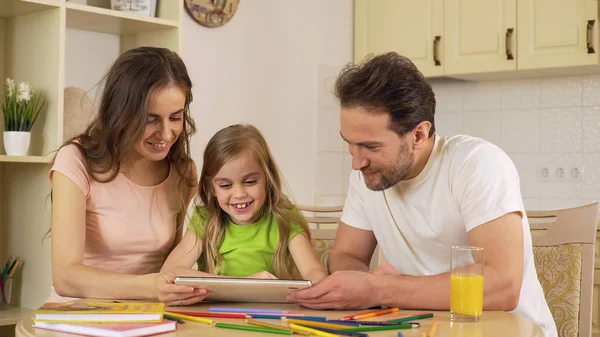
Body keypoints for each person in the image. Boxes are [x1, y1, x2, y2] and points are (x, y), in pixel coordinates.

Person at [286, 52, 557, 337]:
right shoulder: (366, 176)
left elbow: (503, 287)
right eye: (350, 145)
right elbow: (346, 254)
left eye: (371, 147)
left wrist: (380, 289)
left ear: (418, 135)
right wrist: (366, 284)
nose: (356, 162)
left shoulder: (476, 163)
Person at [49, 47, 207, 306]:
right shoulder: (76, 160)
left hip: (148, 314)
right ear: (121, 113)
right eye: (150, 119)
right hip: (78, 314)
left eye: (175, 117)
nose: (166, 133)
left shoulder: (182, 171)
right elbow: (66, 277)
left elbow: (174, 264)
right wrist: (151, 286)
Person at [161, 124, 328, 284]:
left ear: (267, 179)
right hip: (215, 313)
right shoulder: (205, 219)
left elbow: (314, 273)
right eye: (225, 185)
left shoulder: (285, 218)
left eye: (250, 182)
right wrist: (243, 283)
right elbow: (170, 271)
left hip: (272, 312)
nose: (239, 194)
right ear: (211, 187)